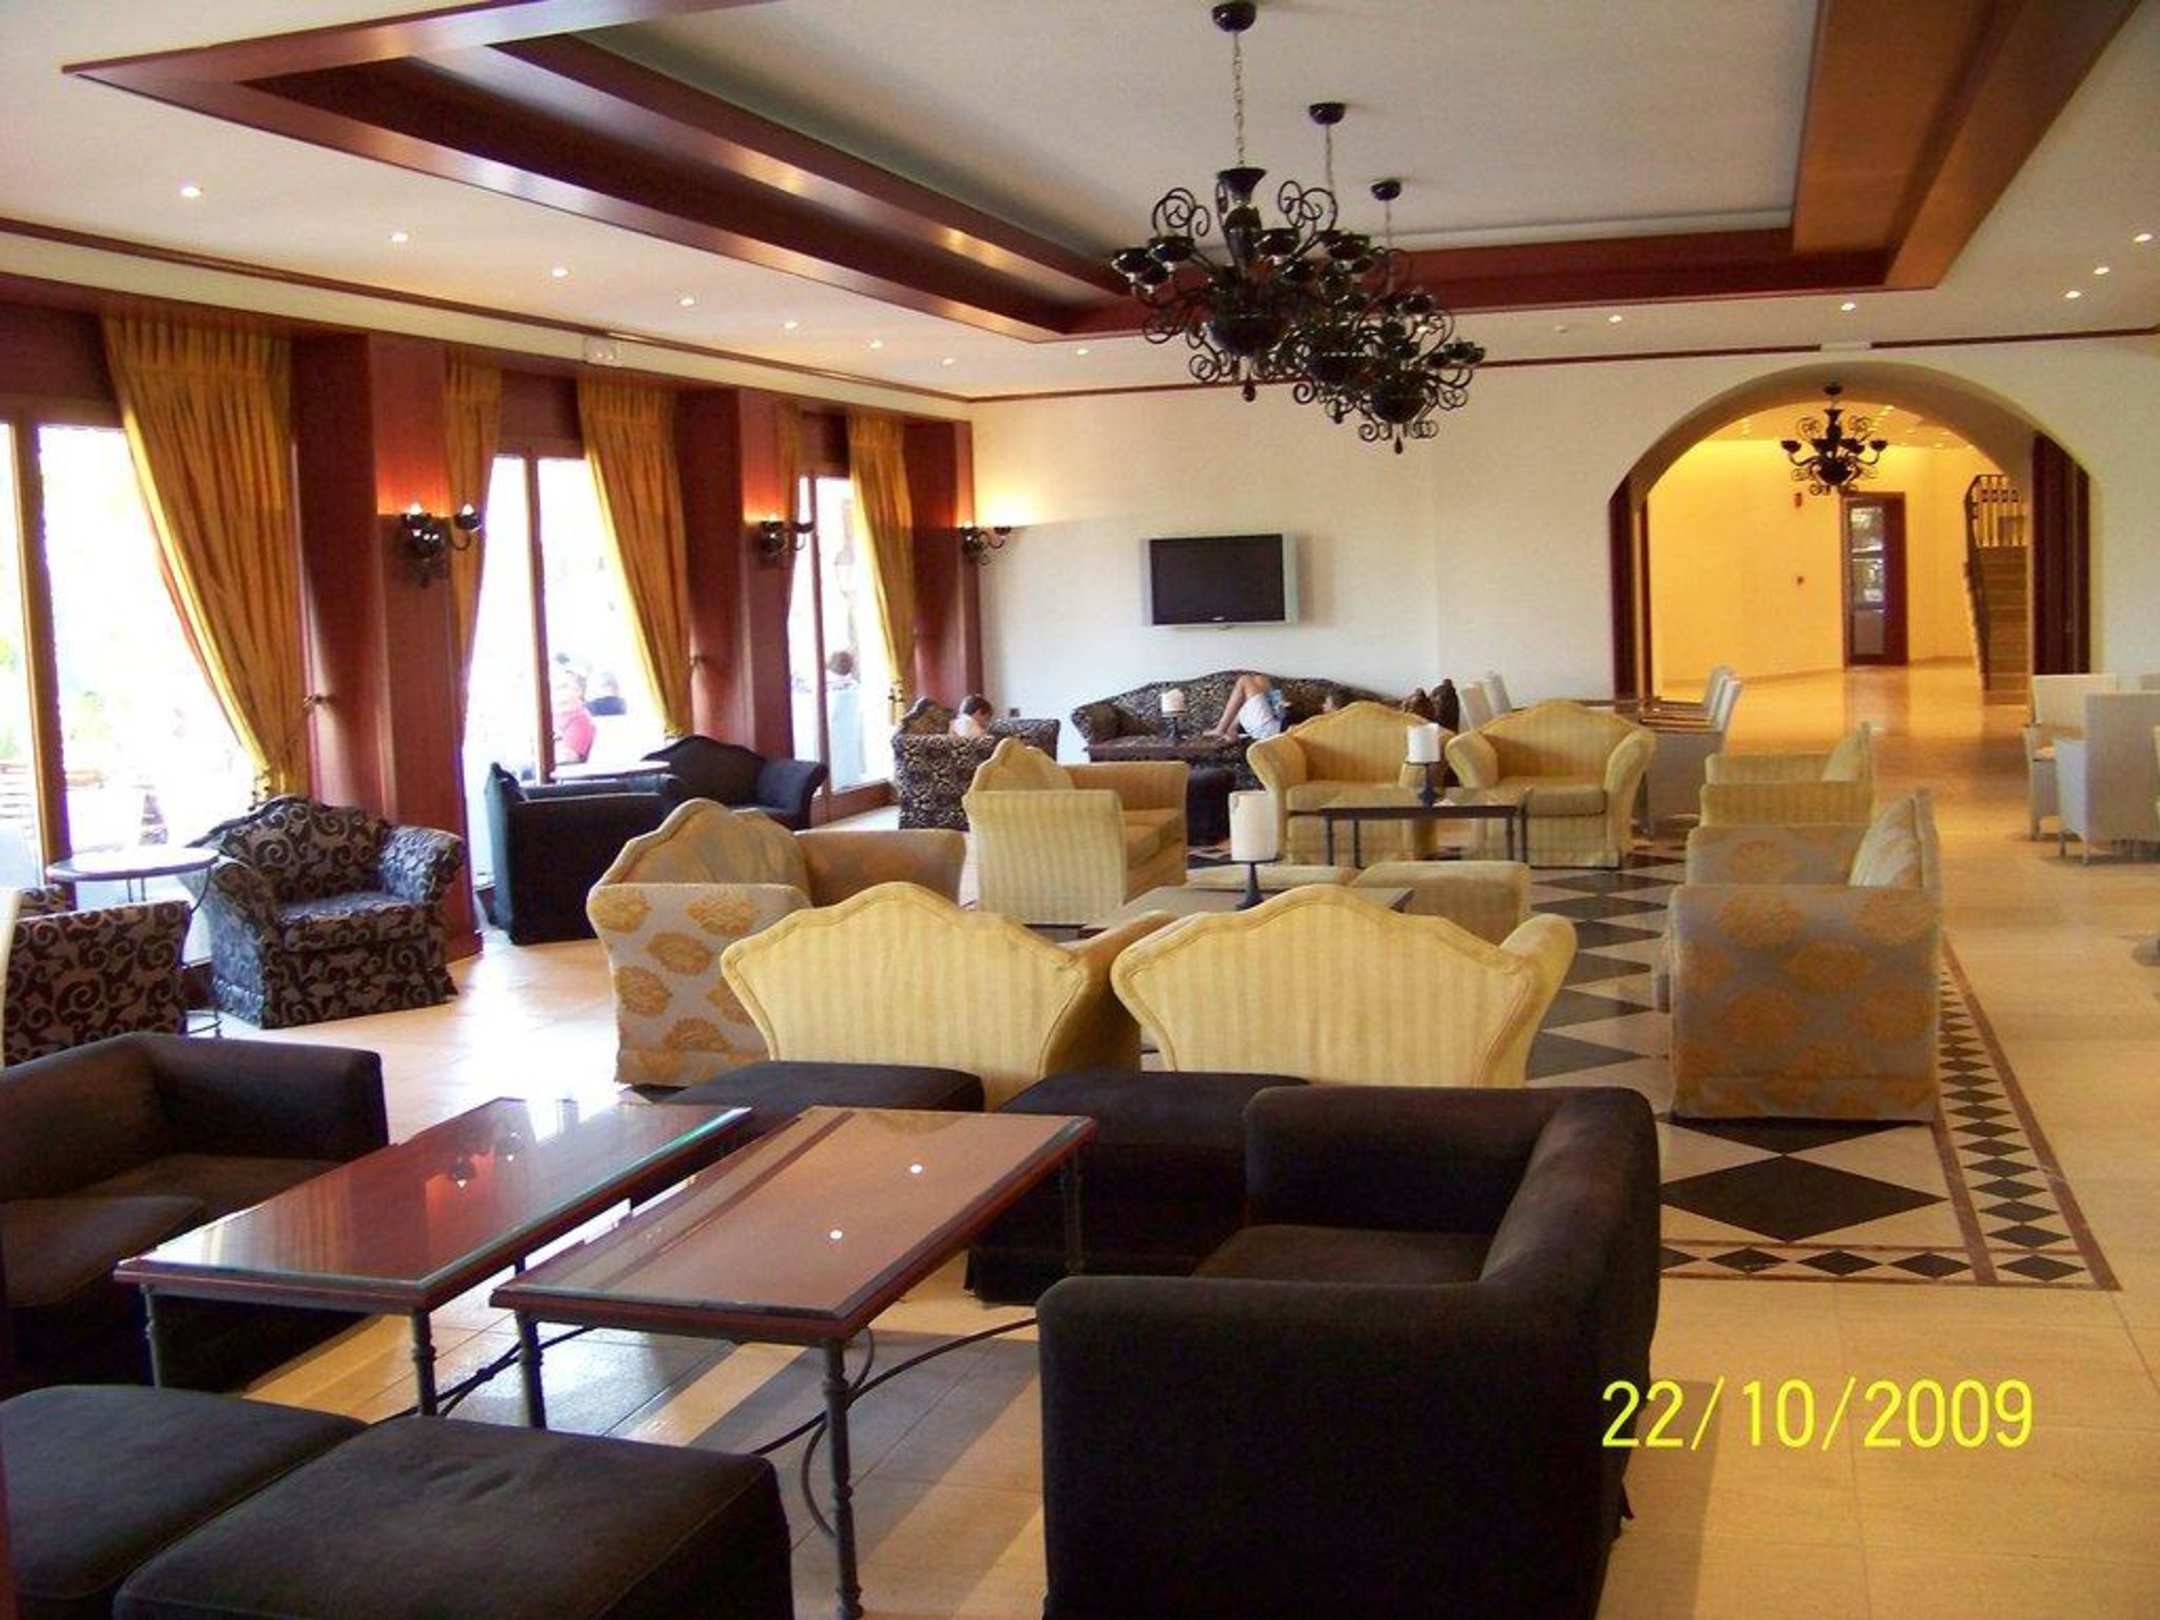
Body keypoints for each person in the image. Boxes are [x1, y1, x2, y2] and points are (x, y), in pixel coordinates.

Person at [1207, 672, 1287, 742]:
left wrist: (1282, 706)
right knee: (1260, 679)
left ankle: (1220, 729)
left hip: (1268, 728)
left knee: (1244, 680)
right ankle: (1231, 729)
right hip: (1271, 725)